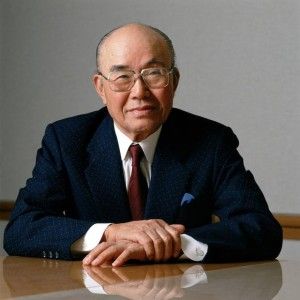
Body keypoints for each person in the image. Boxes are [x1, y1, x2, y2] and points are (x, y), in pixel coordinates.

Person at [4, 23, 282, 267]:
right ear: (100, 87)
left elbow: (262, 229)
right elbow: (21, 229)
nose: (139, 92)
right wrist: (111, 233)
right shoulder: (67, 140)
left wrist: (174, 243)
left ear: (174, 81)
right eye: (123, 76)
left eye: (154, 73)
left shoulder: (211, 142)